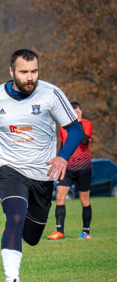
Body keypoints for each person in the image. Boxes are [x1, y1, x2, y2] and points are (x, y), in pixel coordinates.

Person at [0, 49, 84, 282]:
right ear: (12, 72)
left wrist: (63, 156)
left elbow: (74, 128)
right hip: (9, 167)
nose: (29, 77)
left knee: (31, 236)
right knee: (15, 217)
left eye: (34, 71)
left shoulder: (51, 94)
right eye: (24, 72)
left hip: (42, 174)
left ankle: (15, 241)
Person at [47, 101, 93, 240]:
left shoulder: (86, 124)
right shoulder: (63, 127)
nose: (74, 113)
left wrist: (78, 121)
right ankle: (59, 231)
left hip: (84, 168)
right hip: (68, 167)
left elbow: (84, 141)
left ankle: (85, 232)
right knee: (60, 196)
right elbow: (63, 146)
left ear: (81, 111)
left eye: (77, 111)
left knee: (84, 199)